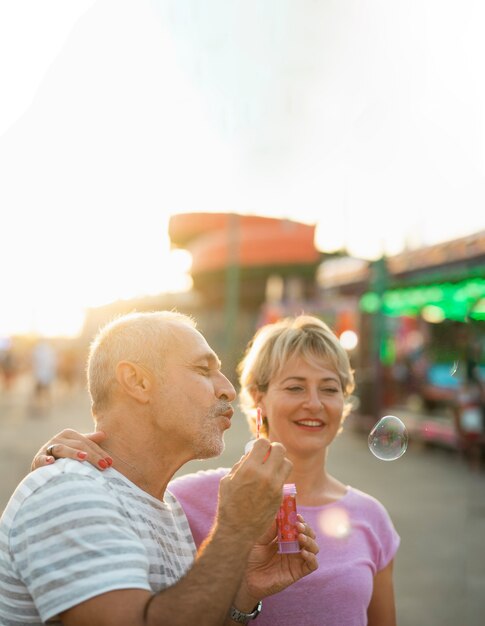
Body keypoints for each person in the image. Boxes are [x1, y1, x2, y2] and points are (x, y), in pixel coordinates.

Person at [31, 314, 400, 625]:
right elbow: (106, 505)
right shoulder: (180, 500)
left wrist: (243, 599)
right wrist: (57, 464)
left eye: (331, 389)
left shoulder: (372, 517)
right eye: (295, 387)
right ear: (258, 400)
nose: (315, 403)